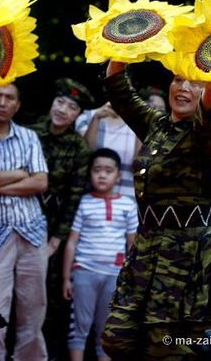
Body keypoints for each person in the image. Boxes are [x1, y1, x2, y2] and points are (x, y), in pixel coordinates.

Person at [101, 61, 211, 360]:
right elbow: (119, 91)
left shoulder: (204, 134)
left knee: (166, 345)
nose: (183, 88)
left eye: (194, 83)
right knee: (117, 336)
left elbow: (208, 113)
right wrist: (121, 51)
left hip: (186, 250)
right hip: (148, 246)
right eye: (178, 79)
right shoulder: (156, 124)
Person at [0, 83, 50, 360]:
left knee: (33, 308)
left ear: (17, 106)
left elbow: (41, 182)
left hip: (32, 231)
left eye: (10, 98)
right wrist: (20, 173)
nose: (3, 102)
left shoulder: (30, 137)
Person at [30, 78, 92, 360]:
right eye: (60, 102)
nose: (63, 110)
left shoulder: (79, 149)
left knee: (51, 294)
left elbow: (74, 198)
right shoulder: (29, 132)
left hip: (54, 224)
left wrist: (56, 240)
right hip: (24, 217)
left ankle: (49, 353)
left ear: (78, 114)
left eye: (71, 107)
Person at [63, 148, 138, 361]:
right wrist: (66, 278)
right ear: (90, 174)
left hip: (115, 275)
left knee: (107, 330)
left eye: (108, 170)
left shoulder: (128, 204)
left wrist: (131, 279)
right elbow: (72, 242)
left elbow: (133, 245)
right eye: (97, 170)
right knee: (79, 326)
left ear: (118, 175)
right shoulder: (85, 202)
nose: (102, 175)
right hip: (84, 272)